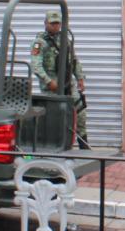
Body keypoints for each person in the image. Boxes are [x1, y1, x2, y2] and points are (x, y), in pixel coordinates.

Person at [32, 11, 87, 147]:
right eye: (52, 23)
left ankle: (83, 145)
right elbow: (36, 66)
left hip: (67, 83)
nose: (56, 26)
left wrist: (79, 77)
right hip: (52, 86)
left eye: (58, 23)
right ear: (46, 24)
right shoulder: (40, 43)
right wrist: (49, 81)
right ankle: (51, 145)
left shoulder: (64, 40)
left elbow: (73, 60)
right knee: (54, 117)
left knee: (80, 112)